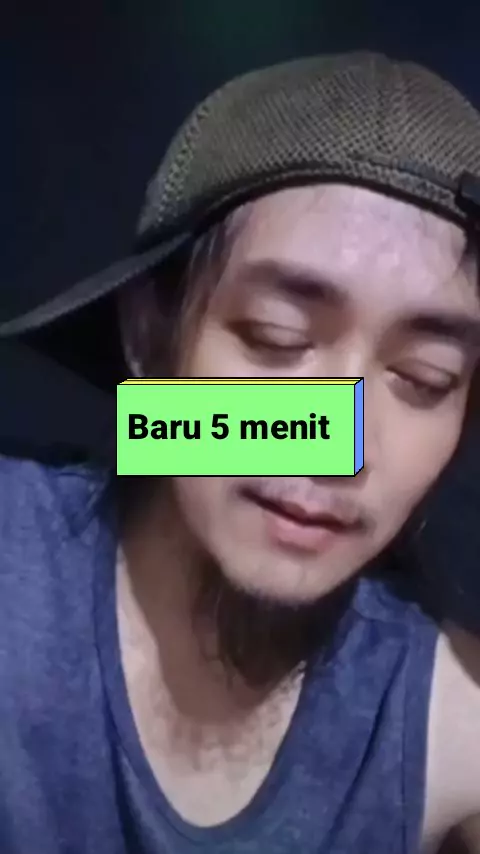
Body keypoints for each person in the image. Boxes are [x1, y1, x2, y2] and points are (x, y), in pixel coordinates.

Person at [1, 51, 480, 854]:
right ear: (148, 333)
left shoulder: (454, 725)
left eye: (424, 378)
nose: (338, 441)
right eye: (276, 338)